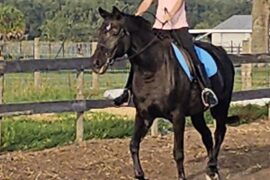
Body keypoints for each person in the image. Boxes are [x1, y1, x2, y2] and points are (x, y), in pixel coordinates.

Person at [114, 0, 218, 108]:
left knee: (192, 55)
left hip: (178, 27)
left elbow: (179, 2)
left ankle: (206, 90)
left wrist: (171, 15)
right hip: (159, 28)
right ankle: (127, 91)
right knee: (141, 59)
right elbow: (147, 1)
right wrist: (138, 13)